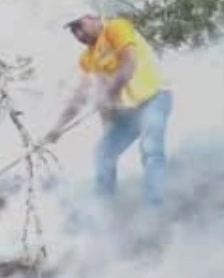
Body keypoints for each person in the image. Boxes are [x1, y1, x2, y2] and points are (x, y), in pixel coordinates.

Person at [44, 12, 173, 207]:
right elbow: (79, 97)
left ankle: (155, 210)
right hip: (130, 112)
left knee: (151, 148)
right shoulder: (87, 58)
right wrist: (57, 128)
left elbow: (129, 63)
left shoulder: (116, 28)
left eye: (79, 26)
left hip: (155, 97)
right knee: (104, 153)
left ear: (92, 17)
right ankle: (105, 212)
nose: (78, 35)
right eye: (73, 31)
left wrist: (109, 93)